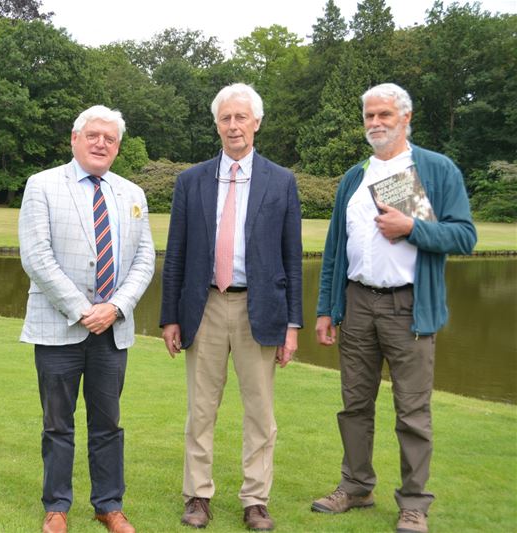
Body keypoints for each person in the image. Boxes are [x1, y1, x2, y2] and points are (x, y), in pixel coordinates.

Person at [311, 83, 477, 533]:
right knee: (354, 404)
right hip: (358, 302)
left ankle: (414, 502)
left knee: (412, 411)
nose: (376, 123)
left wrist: (413, 227)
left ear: (406, 118)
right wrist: (327, 309)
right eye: (369, 115)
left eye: (385, 114)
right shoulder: (355, 175)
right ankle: (356, 485)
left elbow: (465, 237)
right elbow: (333, 252)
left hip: (409, 307)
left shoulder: (435, 170)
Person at [160, 83, 303, 531]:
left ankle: (255, 500)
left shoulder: (281, 181)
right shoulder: (191, 180)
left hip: (259, 310)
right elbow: (176, 253)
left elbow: (292, 258)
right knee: (201, 410)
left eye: (241, 117)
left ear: (257, 122)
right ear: (217, 124)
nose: (233, 125)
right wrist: (169, 316)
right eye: (226, 118)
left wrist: (292, 324)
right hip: (203, 306)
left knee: (260, 413)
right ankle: (197, 497)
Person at [19, 105, 155, 533]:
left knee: (108, 423)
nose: (101, 143)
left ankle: (108, 506)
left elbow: (145, 259)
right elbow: (37, 257)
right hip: (60, 328)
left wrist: (115, 308)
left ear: (117, 147)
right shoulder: (41, 186)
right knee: (57, 423)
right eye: (93, 135)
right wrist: (83, 310)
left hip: (112, 331)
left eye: (110, 138)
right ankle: (57, 506)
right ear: (74, 139)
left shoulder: (132, 193)